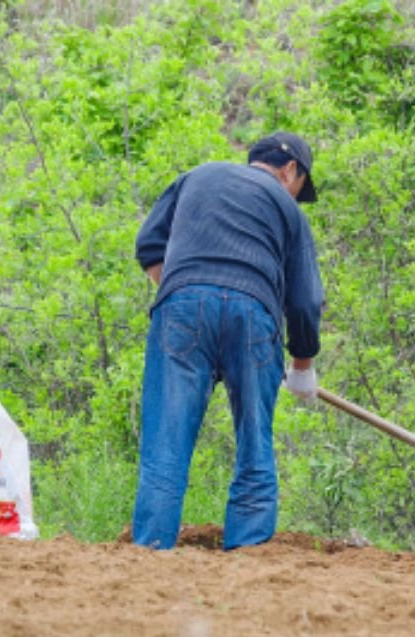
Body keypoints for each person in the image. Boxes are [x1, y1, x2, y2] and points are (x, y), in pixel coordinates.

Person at [132, 132, 324, 550]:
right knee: (255, 445)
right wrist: (303, 366)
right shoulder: (287, 211)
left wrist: (188, 294)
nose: (295, 195)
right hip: (254, 315)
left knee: (166, 444)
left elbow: (148, 246)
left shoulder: (197, 177)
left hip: (181, 306)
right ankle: (248, 555)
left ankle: (148, 554)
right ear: (290, 170)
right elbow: (306, 300)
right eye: (299, 187)